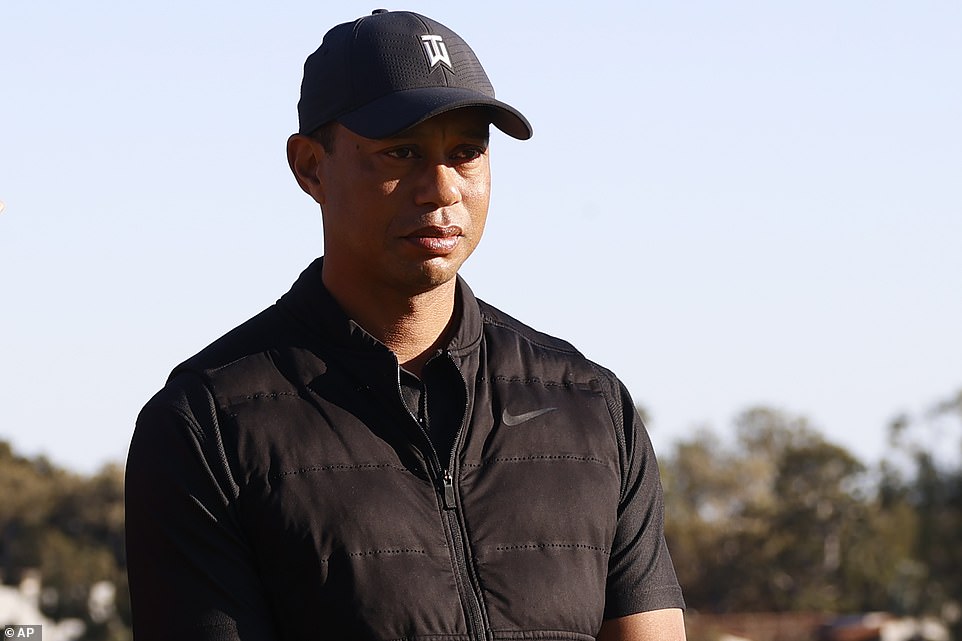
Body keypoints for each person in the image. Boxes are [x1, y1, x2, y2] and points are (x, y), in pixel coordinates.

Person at [125, 9, 686, 641]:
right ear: (310, 166)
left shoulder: (590, 405)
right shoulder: (208, 425)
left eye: (466, 152)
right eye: (402, 151)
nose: (441, 189)